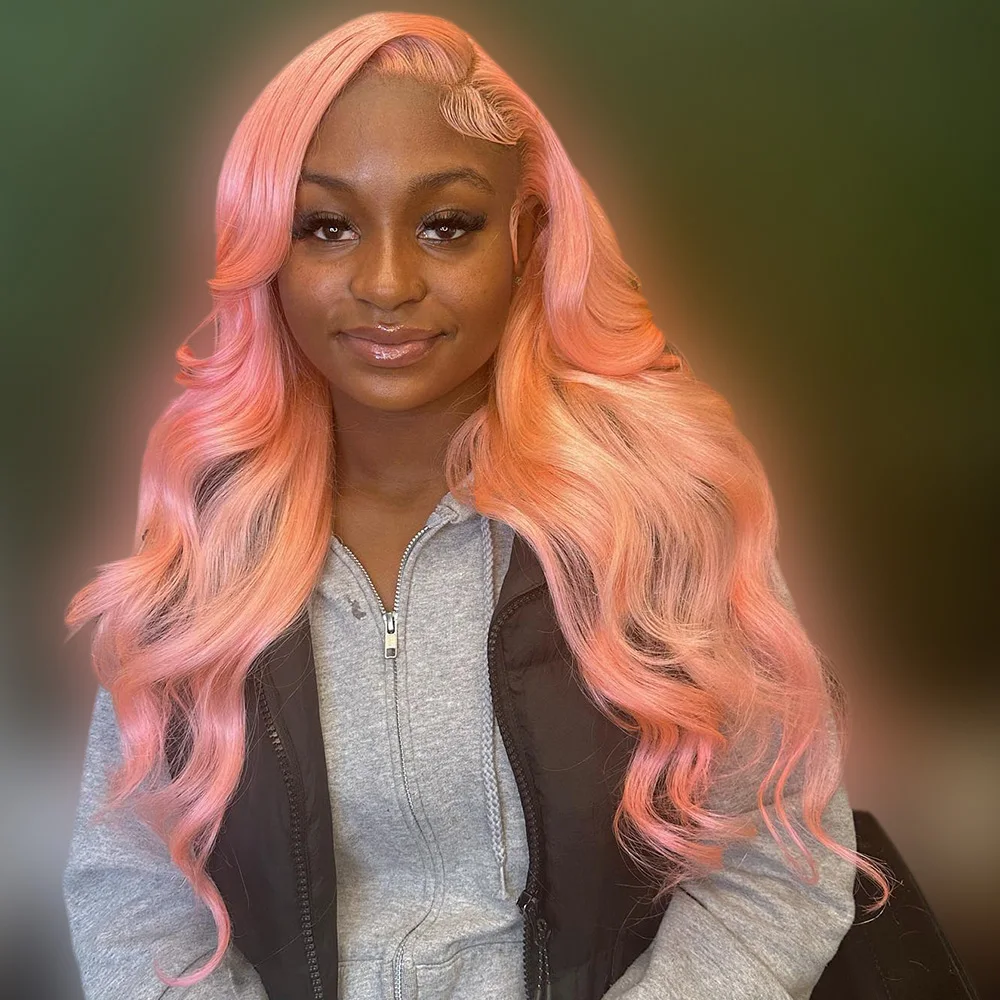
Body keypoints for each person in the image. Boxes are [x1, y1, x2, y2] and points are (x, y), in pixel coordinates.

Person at [61, 11, 891, 1000]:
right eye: (326, 226)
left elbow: (776, 870)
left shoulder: (658, 516)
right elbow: (132, 886)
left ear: (526, 238)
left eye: (444, 224)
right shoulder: (210, 532)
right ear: (269, 255)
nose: (385, 282)